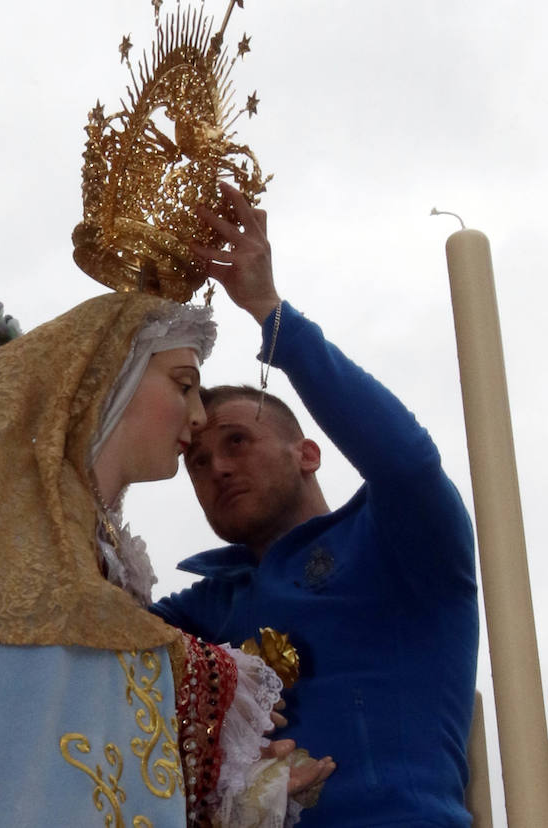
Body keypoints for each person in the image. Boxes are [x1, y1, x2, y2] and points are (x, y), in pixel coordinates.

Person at [0, 290, 332, 827]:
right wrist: (212, 680)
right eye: (183, 385)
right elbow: (8, 711)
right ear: (103, 381)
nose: (196, 417)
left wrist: (237, 789)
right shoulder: (2, 531)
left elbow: (77, 743)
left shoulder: (95, 553)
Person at [151, 185, 480, 827]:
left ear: (307, 454)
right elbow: (88, 628)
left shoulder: (396, 541)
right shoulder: (205, 607)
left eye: (237, 442)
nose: (215, 466)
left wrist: (270, 312)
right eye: (195, 459)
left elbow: (406, 459)